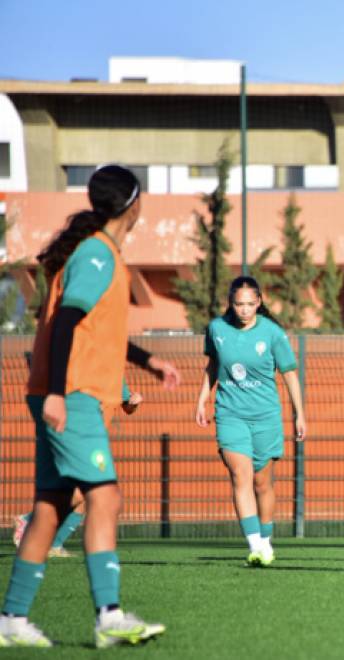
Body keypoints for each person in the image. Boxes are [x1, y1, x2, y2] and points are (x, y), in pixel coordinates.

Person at [0, 165, 181, 649]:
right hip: (73, 395)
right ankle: (109, 616)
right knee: (105, 497)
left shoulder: (95, 255)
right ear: (134, 204)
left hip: (59, 390)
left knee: (50, 507)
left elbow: (92, 330)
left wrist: (147, 361)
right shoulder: (99, 256)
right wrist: (59, 392)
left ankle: (11, 621)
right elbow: (65, 325)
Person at [196, 276, 306, 567]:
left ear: (259, 302)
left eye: (249, 304)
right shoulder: (217, 329)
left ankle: (266, 540)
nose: (244, 310)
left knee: (262, 483)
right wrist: (202, 399)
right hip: (230, 414)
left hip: (266, 417)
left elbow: (290, 374)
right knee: (240, 475)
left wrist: (300, 414)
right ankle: (255, 545)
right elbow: (212, 367)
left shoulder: (272, 333)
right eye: (238, 304)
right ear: (230, 304)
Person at [12, 386, 142, 559]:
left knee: (87, 496)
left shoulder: (116, 374)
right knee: (89, 490)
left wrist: (134, 402)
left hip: (94, 440)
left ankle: (55, 544)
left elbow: (127, 406)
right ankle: (30, 521)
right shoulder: (83, 368)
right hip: (76, 436)